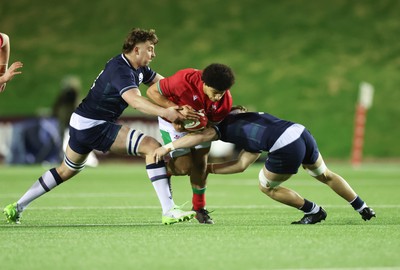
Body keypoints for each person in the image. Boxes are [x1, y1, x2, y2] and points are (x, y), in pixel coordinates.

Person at [3, 28, 199, 225]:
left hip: (82, 121)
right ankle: (169, 210)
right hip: (94, 125)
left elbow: (165, 85)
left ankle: (17, 207)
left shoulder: (138, 68)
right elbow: (135, 102)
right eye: (149, 49)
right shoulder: (120, 69)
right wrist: (166, 112)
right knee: (151, 147)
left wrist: (186, 99)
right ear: (136, 50)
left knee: (65, 170)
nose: (153, 54)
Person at [153, 106, 376, 224]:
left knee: (266, 186)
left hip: (283, 143)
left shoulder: (221, 126)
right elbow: (241, 164)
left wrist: (167, 147)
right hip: (299, 131)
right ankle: (362, 206)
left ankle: (314, 211)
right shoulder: (251, 123)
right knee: (324, 174)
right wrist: (208, 168)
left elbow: (198, 138)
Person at [146, 63, 235, 224]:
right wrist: (175, 111)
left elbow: (211, 127)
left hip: (200, 129)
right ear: (204, 83)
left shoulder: (225, 102)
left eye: (221, 94)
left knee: (201, 164)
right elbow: (151, 92)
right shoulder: (183, 80)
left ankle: (199, 208)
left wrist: (200, 126)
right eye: (215, 93)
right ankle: (160, 172)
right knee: (184, 168)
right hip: (172, 123)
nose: (217, 98)